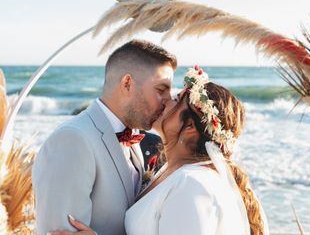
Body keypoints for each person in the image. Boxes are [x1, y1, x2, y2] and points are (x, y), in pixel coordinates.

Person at [49, 66, 269, 235]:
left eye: (175, 100)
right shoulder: (170, 172)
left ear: (190, 127)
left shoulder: (192, 184)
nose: (164, 101)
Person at [32, 39, 177, 235]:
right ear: (127, 84)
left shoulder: (133, 138)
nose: (169, 100)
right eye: (161, 90)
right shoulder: (73, 140)